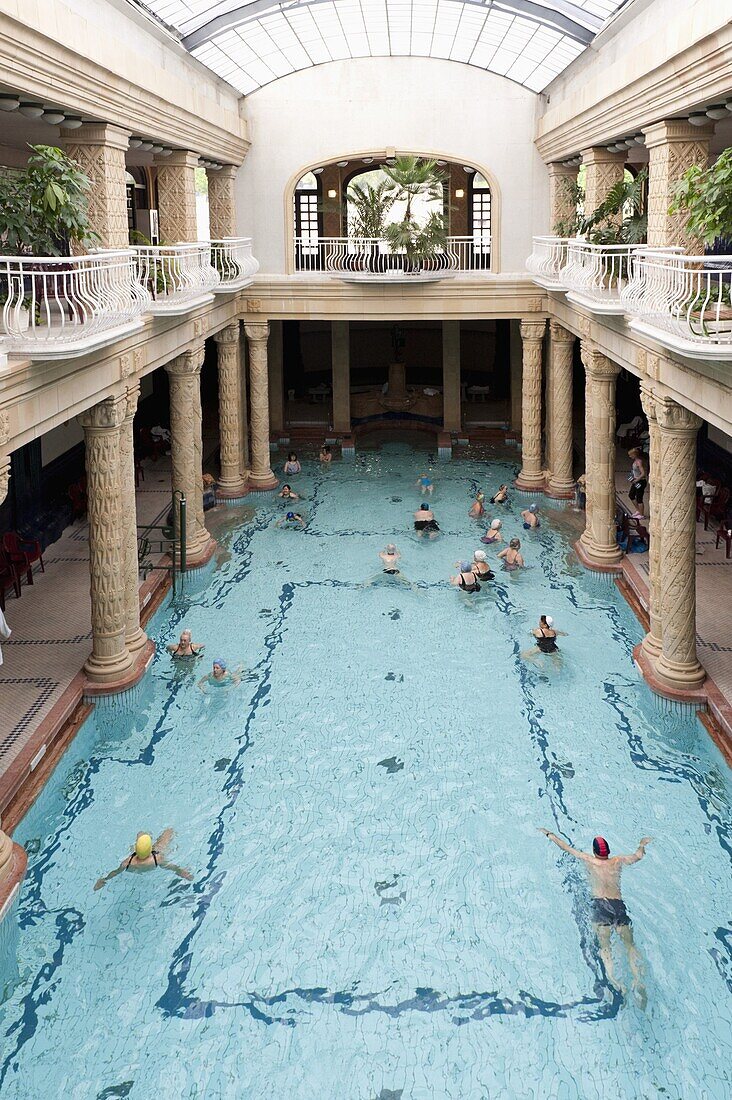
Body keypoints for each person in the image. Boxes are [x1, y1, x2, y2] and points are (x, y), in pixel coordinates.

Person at [538, 829, 652, 1002]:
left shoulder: (589, 860)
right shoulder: (618, 861)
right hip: (618, 905)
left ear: (594, 852)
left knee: (605, 946)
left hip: (601, 906)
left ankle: (615, 981)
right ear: (608, 851)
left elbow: (566, 848)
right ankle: (638, 979)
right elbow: (638, 856)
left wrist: (549, 834)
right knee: (630, 945)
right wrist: (642, 844)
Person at [94, 828, 193, 890]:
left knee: (141, 833)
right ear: (150, 849)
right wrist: (181, 871)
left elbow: (115, 872)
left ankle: (145, 837)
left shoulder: (127, 862)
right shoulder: (157, 858)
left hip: (137, 862)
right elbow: (170, 867)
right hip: (153, 857)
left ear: (135, 848)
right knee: (169, 831)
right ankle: (149, 838)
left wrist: (104, 879)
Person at [628, 448, 648, 520]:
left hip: (640, 481)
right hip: (636, 481)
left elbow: (643, 473)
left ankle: (641, 514)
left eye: (630, 455)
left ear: (634, 455)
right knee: (631, 495)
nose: (630, 456)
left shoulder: (639, 462)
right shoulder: (635, 461)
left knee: (639, 497)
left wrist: (637, 479)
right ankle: (638, 510)